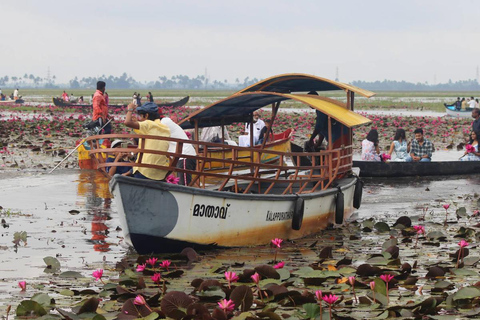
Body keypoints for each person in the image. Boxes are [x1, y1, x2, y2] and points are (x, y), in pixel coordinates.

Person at [124, 102, 171, 180]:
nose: (140, 119)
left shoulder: (148, 124)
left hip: (145, 171)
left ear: (146, 115)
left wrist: (130, 110)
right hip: (160, 174)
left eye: (141, 117)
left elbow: (127, 122)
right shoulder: (165, 128)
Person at [159, 109, 197, 186]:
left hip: (185, 156)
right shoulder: (164, 122)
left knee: (184, 186)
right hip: (182, 157)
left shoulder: (164, 122)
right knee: (183, 183)